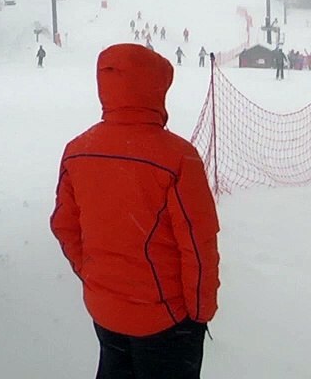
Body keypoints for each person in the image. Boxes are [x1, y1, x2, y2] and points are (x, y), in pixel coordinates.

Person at [51, 44, 220, 379]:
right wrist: (199, 313)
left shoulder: (78, 151)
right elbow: (198, 243)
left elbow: (64, 226)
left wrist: (97, 277)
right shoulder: (177, 157)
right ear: (155, 88)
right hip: (167, 321)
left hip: (105, 311)